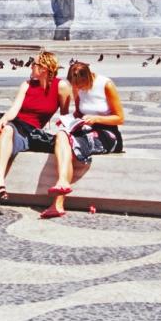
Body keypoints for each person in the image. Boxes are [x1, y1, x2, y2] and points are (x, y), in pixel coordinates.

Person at [0, 50, 71, 216]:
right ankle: (0, 183)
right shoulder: (27, 84)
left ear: (43, 68)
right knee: (5, 129)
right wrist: (5, 119)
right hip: (10, 124)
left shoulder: (61, 87)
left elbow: (65, 114)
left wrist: (66, 134)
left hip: (28, 134)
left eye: (34, 63)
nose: (31, 66)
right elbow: (14, 110)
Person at [43, 60, 126, 217]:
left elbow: (120, 118)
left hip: (107, 134)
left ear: (88, 78)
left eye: (80, 85)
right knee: (61, 135)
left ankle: (58, 202)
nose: (77, 89)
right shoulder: (76, 87)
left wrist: (96, 119)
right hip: (86, 129)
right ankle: (62, 184)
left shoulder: (106, 85)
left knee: (69, 143)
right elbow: (79, 113)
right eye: (75, 86)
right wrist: (68, 119)